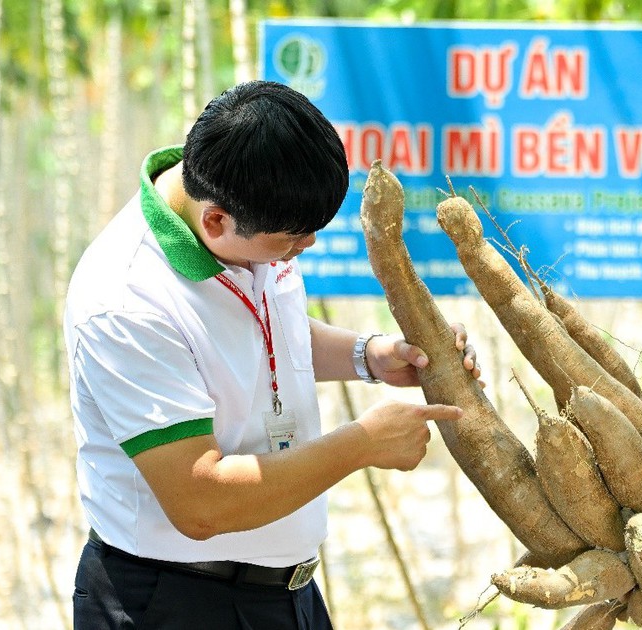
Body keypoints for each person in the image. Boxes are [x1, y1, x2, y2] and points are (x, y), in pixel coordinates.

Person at [65, 80, 480, 629]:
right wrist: (361, 443)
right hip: (178, 602)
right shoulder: (125, 303)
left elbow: (264, 332)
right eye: (290, 240)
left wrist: (368, 355)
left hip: (288, 593)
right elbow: (200, 502)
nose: (301, 249)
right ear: (215, 219)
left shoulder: (246, 206)